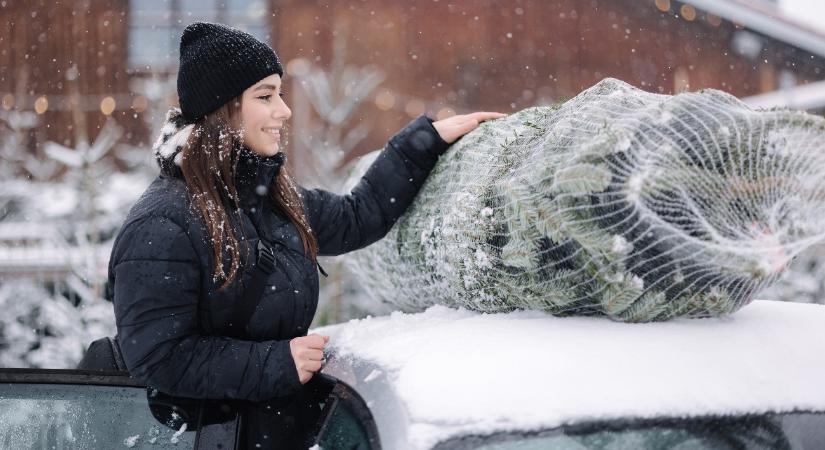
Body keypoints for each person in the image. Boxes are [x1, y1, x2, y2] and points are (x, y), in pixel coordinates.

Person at [107, 21, 503, 449]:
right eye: (265, 96)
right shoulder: (163, 224)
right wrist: (274, 363)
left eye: (279, 93)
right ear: (222, 110)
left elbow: (357, 217)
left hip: (278, 431)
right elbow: (157, 356)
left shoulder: (272, 196)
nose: (284, 110)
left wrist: (425, 141)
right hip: (212, 437)